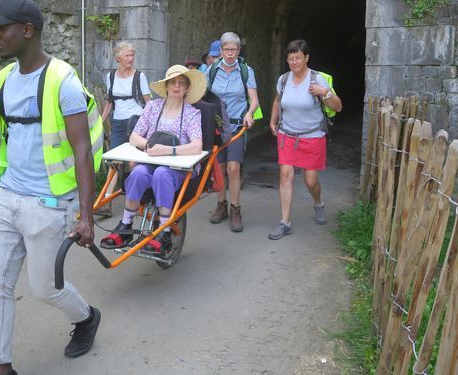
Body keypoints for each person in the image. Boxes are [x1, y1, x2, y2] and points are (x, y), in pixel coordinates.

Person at [0, 0, 100, 375]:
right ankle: (2, 372)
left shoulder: (63, 81)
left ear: (27, 30)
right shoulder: (3, 80)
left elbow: (81, 150)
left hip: (49, 202)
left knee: (45, 288)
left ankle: (87, 317)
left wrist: (85, 215)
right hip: (7, 198)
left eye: (0, 27)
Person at [100, 65, 205, 255]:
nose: (176, 86)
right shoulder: (152, 107)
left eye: (181, 83)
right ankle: (125, 226)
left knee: (162, 174)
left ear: (187, 88)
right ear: (166, 86)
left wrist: (168, 150)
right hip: (151, 159)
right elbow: (134, 137)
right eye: (173, 82)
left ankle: (163, 233)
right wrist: (149, 146)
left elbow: (197, 145)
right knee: (138, 173)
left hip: (176, 165)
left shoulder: (192, 113)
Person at [268, 39, 342, 240]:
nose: (294, 62)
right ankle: (285, 222)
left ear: (306, 58)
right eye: (290, 58)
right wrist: (273, 121)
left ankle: (318, 202)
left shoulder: (317, 80)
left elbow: (338, 106)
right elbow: (277, 101)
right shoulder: (284, 80)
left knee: (310, 180)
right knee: (285, 174)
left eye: (298, 58)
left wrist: (325, 93)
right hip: (288, 134)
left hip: (312, 136)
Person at [206, 32, 260, 232]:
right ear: (221, 51)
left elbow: (253, 99)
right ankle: (221, 205)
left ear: (238, 51)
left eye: (234, 50)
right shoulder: (211, 71)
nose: (230, 54)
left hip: (237, 127)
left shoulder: (246, 71)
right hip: (217, 128)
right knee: (219, 169)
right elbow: (204, 96)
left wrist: (250, 113)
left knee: (233, 168)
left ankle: (235, 208)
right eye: (226, 49)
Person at [98, 42, 151, 216]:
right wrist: (101, 121)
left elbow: (148, 103)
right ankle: (106, 202)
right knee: (114, 161)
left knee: (133, 162)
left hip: (136, 121)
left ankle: (139, 200)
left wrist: (151, 125)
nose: (130, 59)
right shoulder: (111, 76)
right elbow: (110, 102)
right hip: (119, 124)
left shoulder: (139, 76)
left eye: (132, 55)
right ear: (118, 58)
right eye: (127, 56)